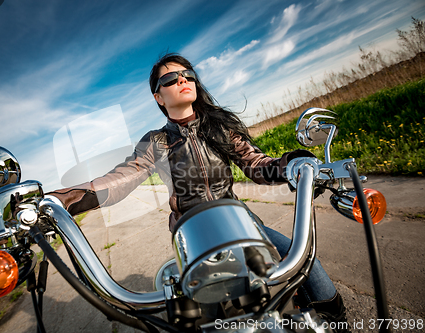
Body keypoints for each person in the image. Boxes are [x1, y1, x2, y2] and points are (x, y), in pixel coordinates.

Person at [47, 53, 347, 327]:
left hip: (239, 223)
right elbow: (121, 178)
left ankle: (334, 319)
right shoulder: (156, 142)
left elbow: (256, 164)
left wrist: (291, 165)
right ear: (159, 97)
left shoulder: (220, 127)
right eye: (169, 78)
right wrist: (61, 200)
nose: (182, 79)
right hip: (195, 237)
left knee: (307, 262)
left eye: (188, 74)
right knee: (201, 317)